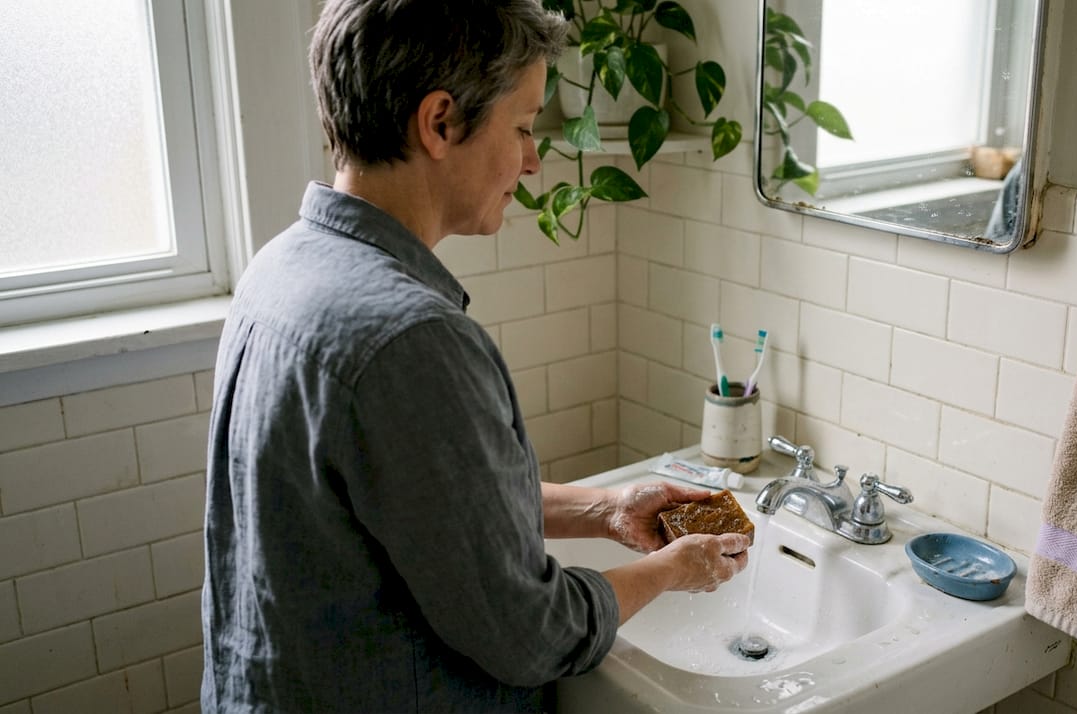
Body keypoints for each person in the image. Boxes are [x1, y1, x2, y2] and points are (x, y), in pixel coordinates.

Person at [200, 1, 751, 712]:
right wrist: (673, 570)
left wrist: (608, 508)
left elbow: (428, 513)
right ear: (439, 123)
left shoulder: (282, 268)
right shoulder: (412, 341)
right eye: (522, 126)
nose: (531, 159)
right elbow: (531, 634)